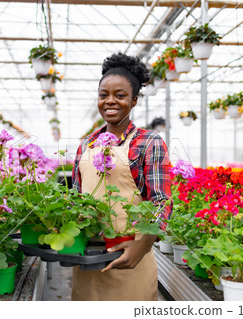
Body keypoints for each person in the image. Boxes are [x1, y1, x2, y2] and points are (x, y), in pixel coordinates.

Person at [71, 52, 172, 301]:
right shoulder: (86, 144)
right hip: (88, 259)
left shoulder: (148, 142)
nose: (110, 101)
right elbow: (74, 198)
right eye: (103, 95)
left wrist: (142, 246)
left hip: (131, 260)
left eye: (120, 95)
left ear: (134, 101)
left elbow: (162, 202)